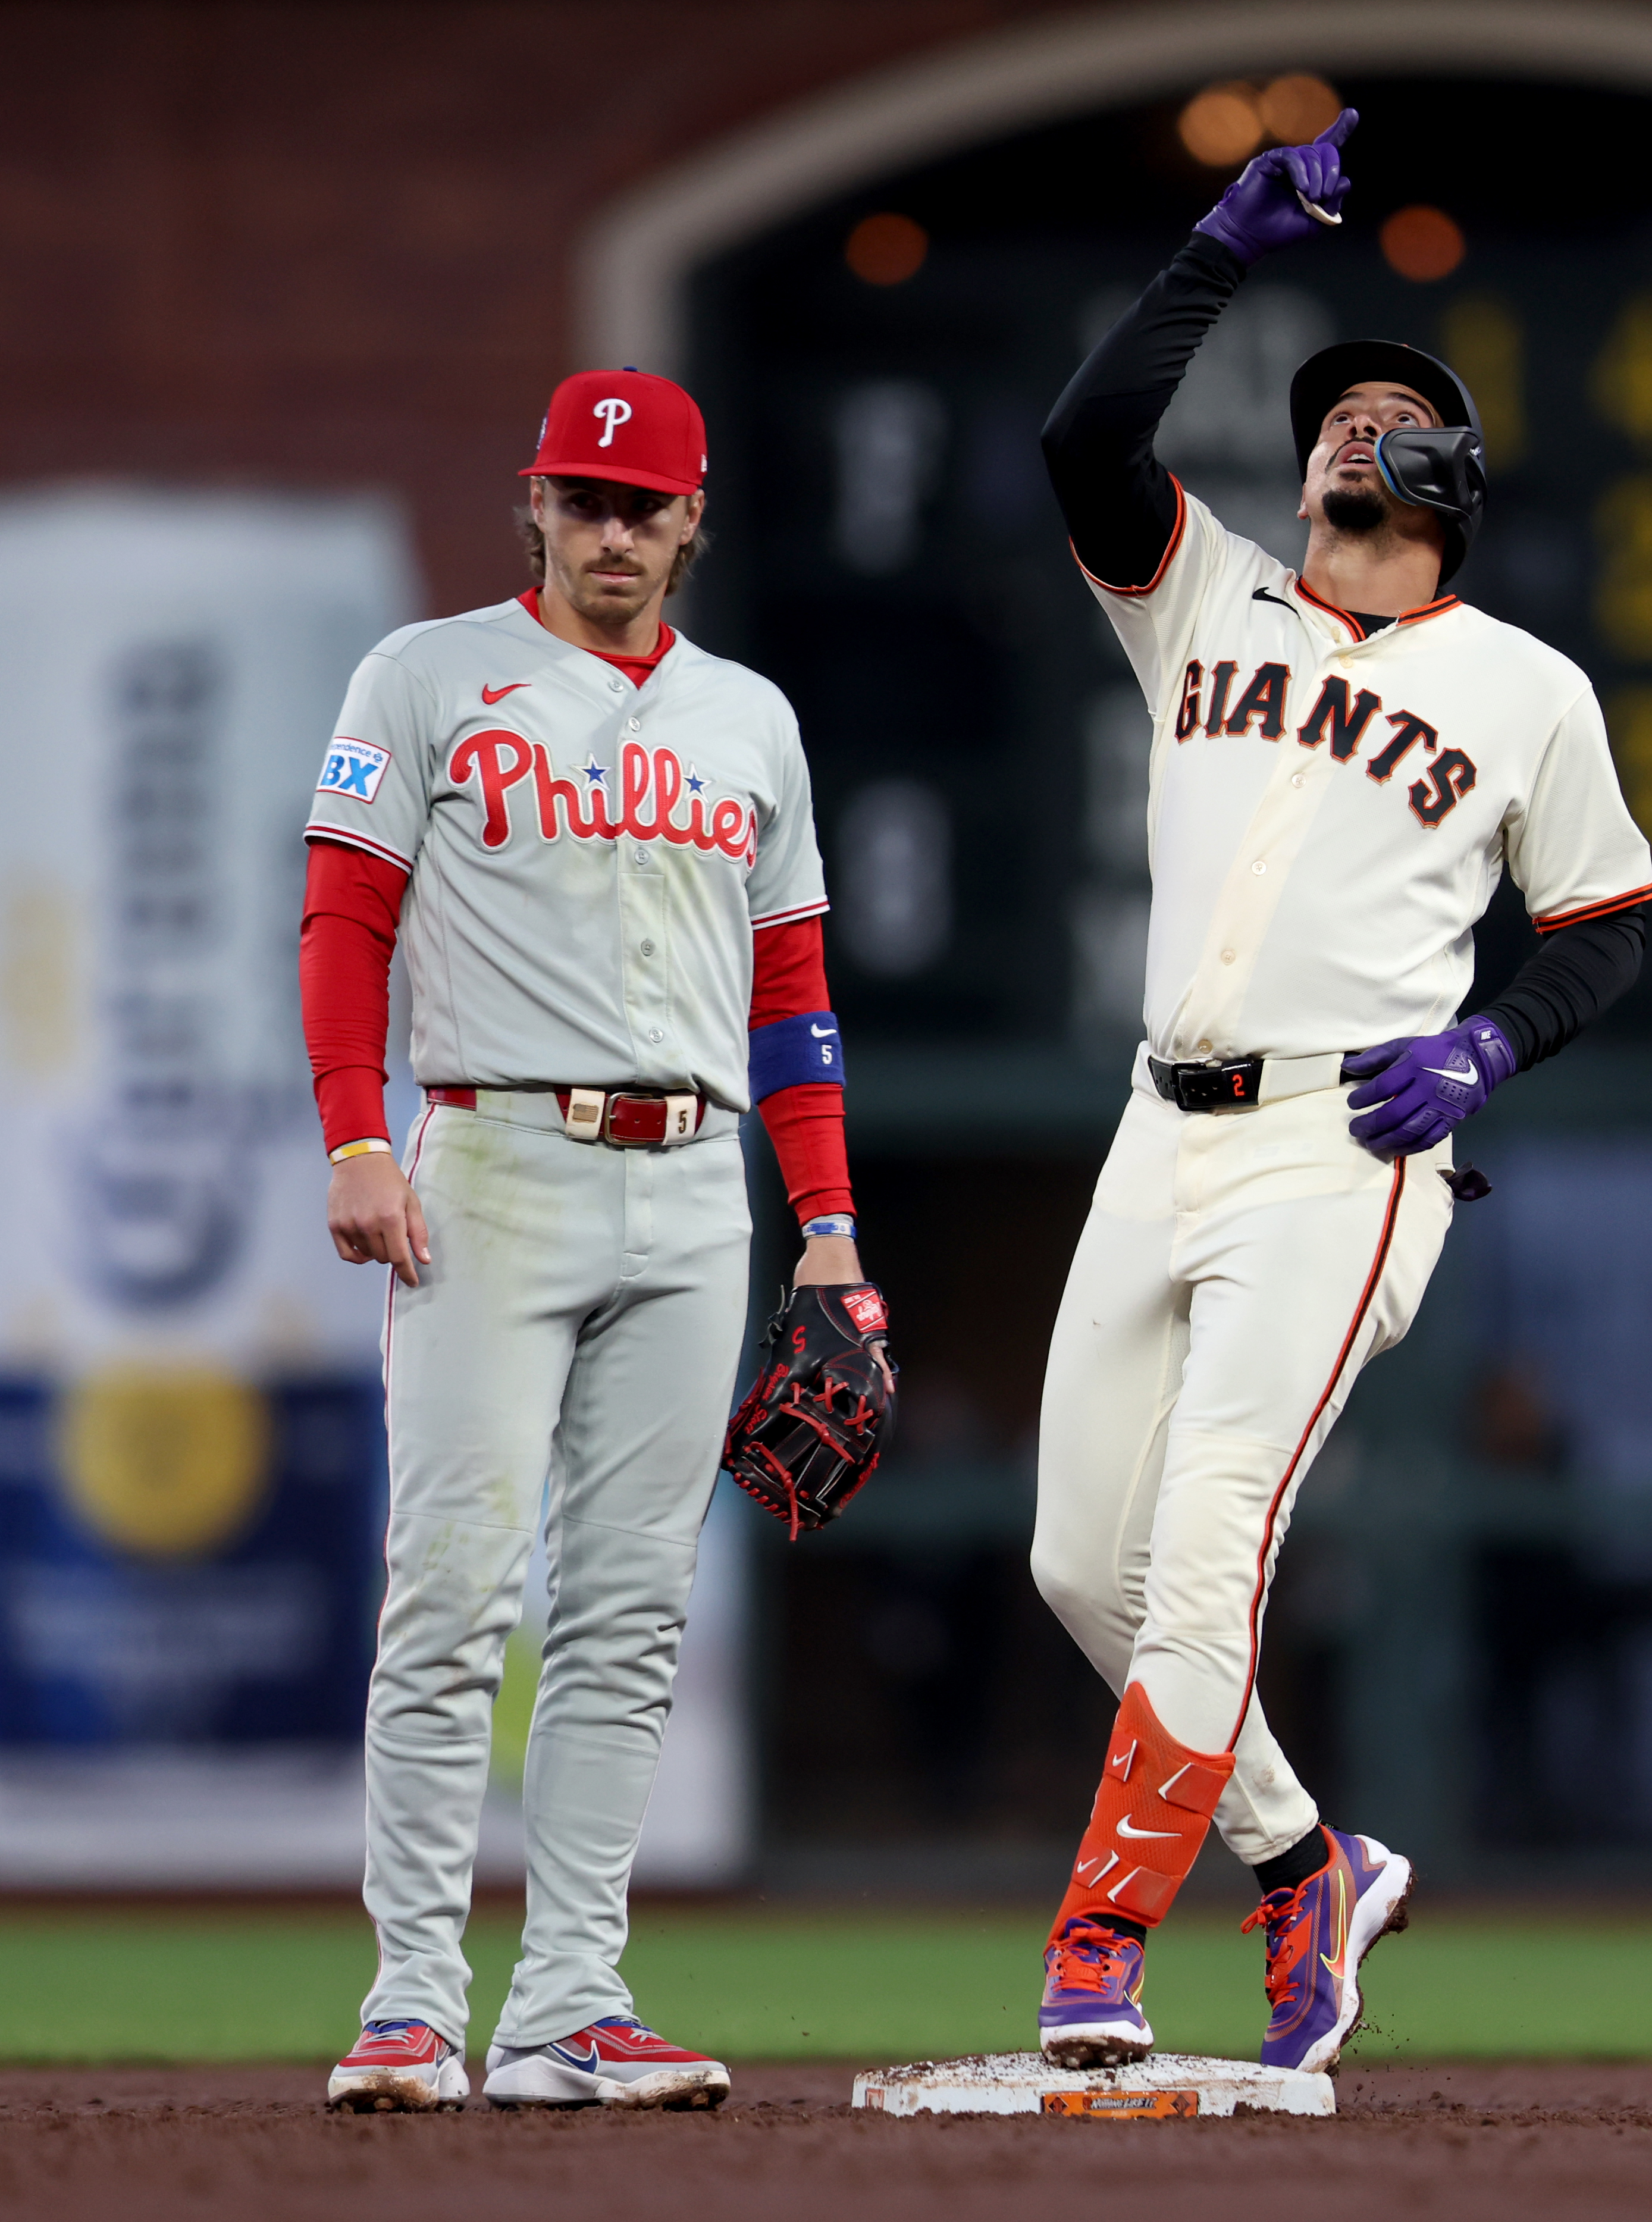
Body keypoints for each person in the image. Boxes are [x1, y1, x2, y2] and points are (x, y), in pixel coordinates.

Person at [1027, 112, 1652, 2075]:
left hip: (1346, 1140)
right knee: (1079, 1564)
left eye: (1388, 416)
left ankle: (1099, 1944)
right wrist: (1214, 249)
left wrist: (1491, 1045)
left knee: (1209, 1535)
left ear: (1453, 477)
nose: (1346, 432)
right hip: (1160, 1123)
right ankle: (1308, 1860)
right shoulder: (1201, 597)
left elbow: (1605, 925)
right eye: (1329, 417)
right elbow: (1082, 441)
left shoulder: (1525, 686)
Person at [303, 368, 867, 2111]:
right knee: (453, 1591)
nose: (612, 531)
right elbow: (343, 918)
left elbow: (792, 994)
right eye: (584, 499)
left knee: (630, 1617)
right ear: (536, 507)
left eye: (644, 505)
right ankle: (412, 2000)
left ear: (694, 521)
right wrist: (353, 1133)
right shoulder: (424, 677)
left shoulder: (750, 719)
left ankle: (567, 2007)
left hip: (696, 1186)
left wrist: (830, 1228)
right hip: (491, 1161)